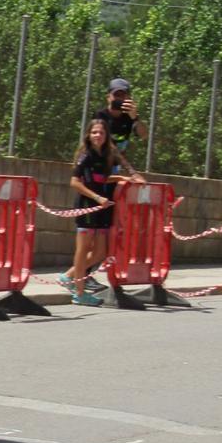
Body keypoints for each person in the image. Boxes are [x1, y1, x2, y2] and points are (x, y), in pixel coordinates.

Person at [59, 120, 139, 306]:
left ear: (106, 136)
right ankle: (79, 293)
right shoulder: (85, 155)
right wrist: (97, 198)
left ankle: (68, 277)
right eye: (94, 132)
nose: (97, 135)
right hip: (88, 206)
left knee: (100, 252)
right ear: (88, 134)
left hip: (102, 208)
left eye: (101, 133)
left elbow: (102, 178)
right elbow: (75, 182)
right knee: (83, 251)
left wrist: (123, 177)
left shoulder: (106, 155)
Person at [94, 78, 147, 160]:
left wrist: (135, 118)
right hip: (98, 159)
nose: (119, 98)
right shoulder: (100, 115)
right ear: (108, 97)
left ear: (128, 98)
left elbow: (144, 135)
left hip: (117, 163)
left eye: (122, 95)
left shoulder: (129, 116)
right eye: (116, 95)